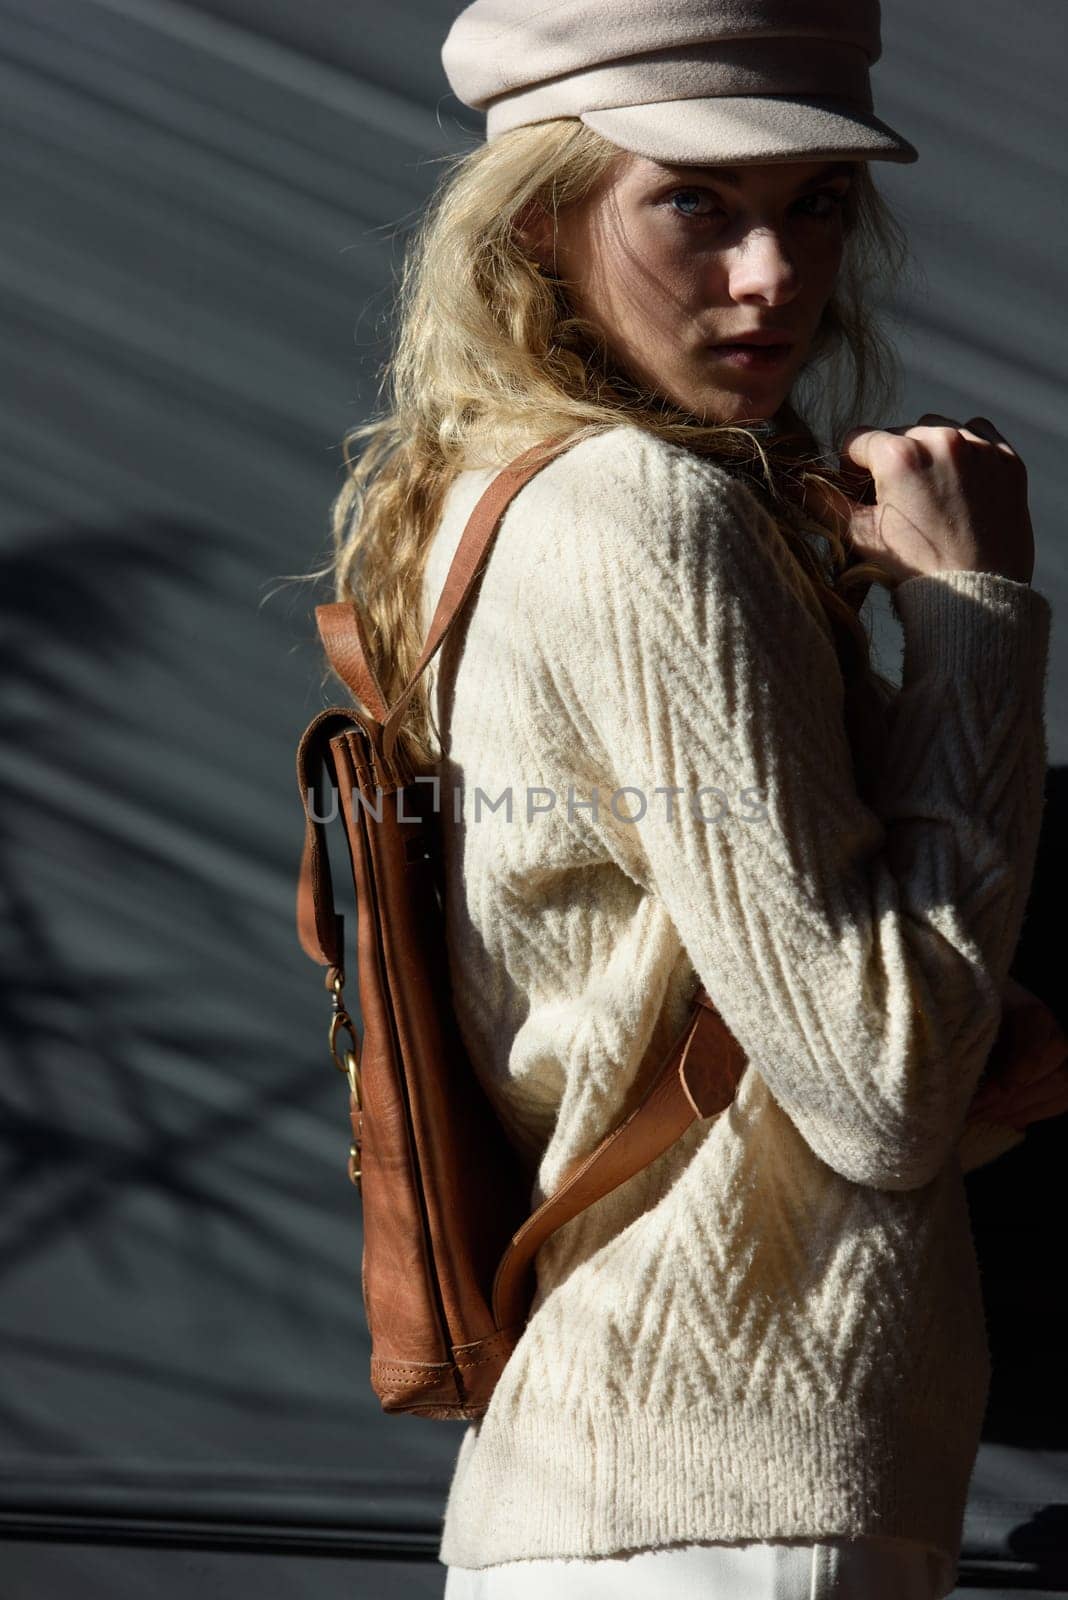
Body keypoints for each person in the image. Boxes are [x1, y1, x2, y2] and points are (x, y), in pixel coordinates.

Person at [318, 2, 1054, 1594]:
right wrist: (976, 617)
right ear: (537, 217)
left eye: (817, 207)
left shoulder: (499, 489)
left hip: (644, 1481)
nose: (774, 276)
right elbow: (882, 1089)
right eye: (695, 205)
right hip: (731, 1501)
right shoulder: (646, 513)